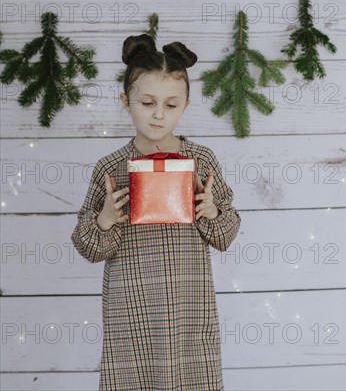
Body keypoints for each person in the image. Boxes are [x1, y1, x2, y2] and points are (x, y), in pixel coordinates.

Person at [71, 33, 242, 391]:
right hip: (132, 310)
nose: (158, 114)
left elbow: (226, 235)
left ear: (186, 105)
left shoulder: (201, 162)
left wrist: (210, 211)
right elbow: (89, 248)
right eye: (147, 103)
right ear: (125, 100)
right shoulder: (111, 168)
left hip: (189, 310)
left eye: (171, 104)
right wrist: (104, 220)